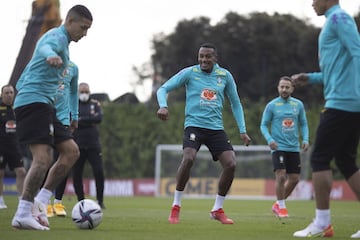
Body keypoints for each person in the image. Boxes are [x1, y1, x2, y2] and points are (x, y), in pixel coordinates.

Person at [11, 5, 92, 230]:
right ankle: (22, 213)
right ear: (70, 21)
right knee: (43, 159)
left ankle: (40, 202)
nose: (85, 34)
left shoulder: (65, 45)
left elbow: (26, 75)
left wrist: (71, 114)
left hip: (44, 105)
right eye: (83, 28)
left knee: (71, 151)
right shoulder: (56, 37)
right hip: (33, 103)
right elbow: (45, 47)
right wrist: (51, 56)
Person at [156, 42, 251, 224]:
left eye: (208, 57)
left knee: (231, 164)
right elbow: (163, 89)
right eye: (201, 56)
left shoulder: (224, 76)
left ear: (215, 58)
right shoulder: (190, 73)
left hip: (215, 129)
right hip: (194, 126)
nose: (203, 60)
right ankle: (176, 206)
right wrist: (163, 106)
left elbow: (236, 103)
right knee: (189, 158)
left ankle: (217, 209)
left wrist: (243, 130)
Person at [291, 0, 360, 238]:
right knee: (346, 162)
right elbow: (338, 70)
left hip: (342, 103)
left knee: (319, 158)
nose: (311, 3)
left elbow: (358, 52)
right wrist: (309, 78)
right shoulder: (334, 20)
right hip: (348, 102)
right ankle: (323, 222)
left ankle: (322, 222)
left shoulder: (339, 18)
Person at [260, 76, 309, 218]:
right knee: (281, 176)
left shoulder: (298, 105)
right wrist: (269, 139)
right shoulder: (272, 105)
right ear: (278, 88)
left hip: (293, 147)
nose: (284, 89)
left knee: (294, 179)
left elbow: (303, 124)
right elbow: (263, 125)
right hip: (278, 146)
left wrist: (305, 138)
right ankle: (282, 207)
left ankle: (278, 203)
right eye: (282, 87)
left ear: (292, 88)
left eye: (287, 87)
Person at [46, 61, 79, 218]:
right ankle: (43, 203)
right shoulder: (43, 63)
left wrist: (75, 116)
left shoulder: (73, 68)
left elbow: (73, 93)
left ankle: (58, 202)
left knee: (66, 160)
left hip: (64, 120)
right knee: (44, 161)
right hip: (44, 118)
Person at [72, 82, 105, 209]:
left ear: (89, 92)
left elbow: (99, 118)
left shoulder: (95, 104)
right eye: (82, 92)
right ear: (78, 92)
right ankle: (81, 200)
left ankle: (100, 201)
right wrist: (88, 119)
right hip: (78, 144)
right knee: (77, 173)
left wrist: (81, 120)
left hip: (93, 144)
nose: (84, 94)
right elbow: (73, 120)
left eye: (86, 91)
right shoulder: (74, 104)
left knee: (99, 172)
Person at [0, 85, 27, 209]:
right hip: (1, 145)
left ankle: (21, 200)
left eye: (11, 92)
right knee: (0, 173)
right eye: (7, 93)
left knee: (21, 172)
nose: (9, 95)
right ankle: (0, 200)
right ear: (2, 95)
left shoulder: (18, 108)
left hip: (14, 146)